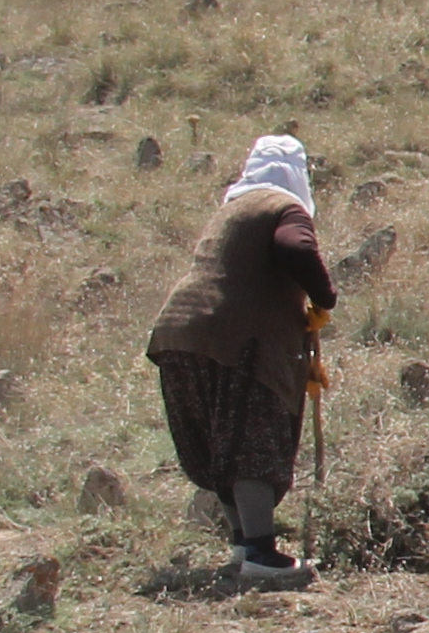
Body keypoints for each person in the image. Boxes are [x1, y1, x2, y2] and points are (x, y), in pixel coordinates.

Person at [143, 132, 338, 591]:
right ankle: (261, 555)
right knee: (252, 437)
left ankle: (243, 546)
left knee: (219, 441)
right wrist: (324, 297)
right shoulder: (282, 207)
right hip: (235, 340)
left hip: (179, 332)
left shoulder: (231, 209)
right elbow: (296, 249)